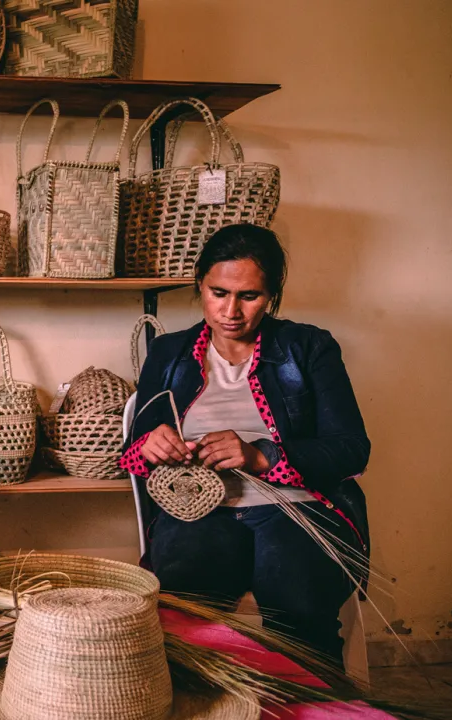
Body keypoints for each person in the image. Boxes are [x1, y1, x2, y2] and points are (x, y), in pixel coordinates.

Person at [119, 223, 370, 664]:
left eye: (249, 296)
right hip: (197, 509)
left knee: (299, 608)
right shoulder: (169, 352)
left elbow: (351, 448)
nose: (230, 310)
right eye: (218, 292)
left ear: (271, 295)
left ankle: (316, 705)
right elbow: (134, 452)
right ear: (200, 285)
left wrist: (261, 454)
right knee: (184, 609)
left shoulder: (308, 347)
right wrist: (149, 446)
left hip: (296, 507)